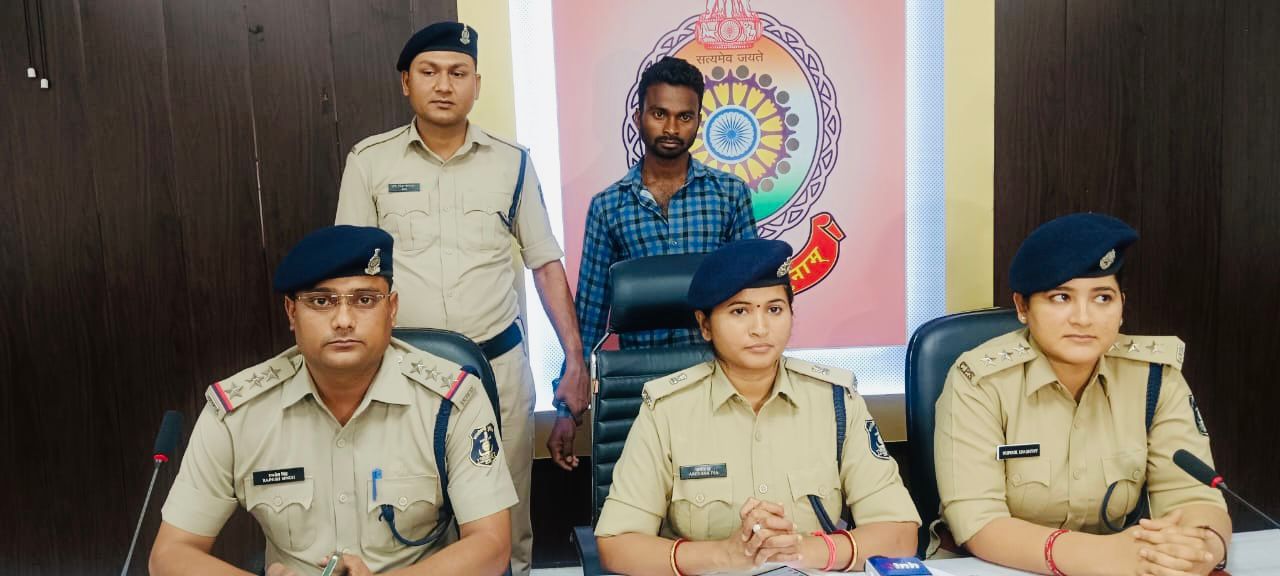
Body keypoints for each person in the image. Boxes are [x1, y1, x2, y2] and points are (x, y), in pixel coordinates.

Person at [333, 21, 589, 574]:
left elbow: (545, 263)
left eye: (458, 73)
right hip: (404, 374)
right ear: (406, 82)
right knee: (411, 519)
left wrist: (573, 358)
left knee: (506, 527)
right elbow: (349, 277)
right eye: (429, 72)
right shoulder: (369, 162)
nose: (444, 85)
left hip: (496, 372)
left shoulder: (512, 162)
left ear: (477, 84)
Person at [149, 225, 515, 576]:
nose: (343, 320)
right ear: (292, 312)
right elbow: (170, 555)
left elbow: (491, 544)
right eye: (321, 301)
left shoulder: (452, 401)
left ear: (391, 309)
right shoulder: (238, 413)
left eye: (365, 300)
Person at [594, 239, 920, 575]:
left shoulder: (835, 401)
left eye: (774, 309)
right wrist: (726, 555)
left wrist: (802, 550)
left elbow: (899, 534)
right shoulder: (667, 410)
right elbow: (617, 545)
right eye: (740, 311)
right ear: (705, 325)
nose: (760, 329)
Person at [934, 213, 1231, 575]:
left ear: (1122, 306)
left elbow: (1195, 497)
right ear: (1023, 307)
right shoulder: (980, 381)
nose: (1084, 318)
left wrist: (1198, 549)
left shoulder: (1155, 377)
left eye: (1103, 297)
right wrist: (1105, 556)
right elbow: (978, 522)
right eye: (1061, 297)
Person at [550, 56, 757, 471]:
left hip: (718, 384)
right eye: (659, 114)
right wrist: (566, 409)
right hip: (641, 393)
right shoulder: (608, 206)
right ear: (639, 116)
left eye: (684, 117)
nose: (671, 128)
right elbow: (590, 314)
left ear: (699, 121)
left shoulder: (730, 195)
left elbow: (751, 301)